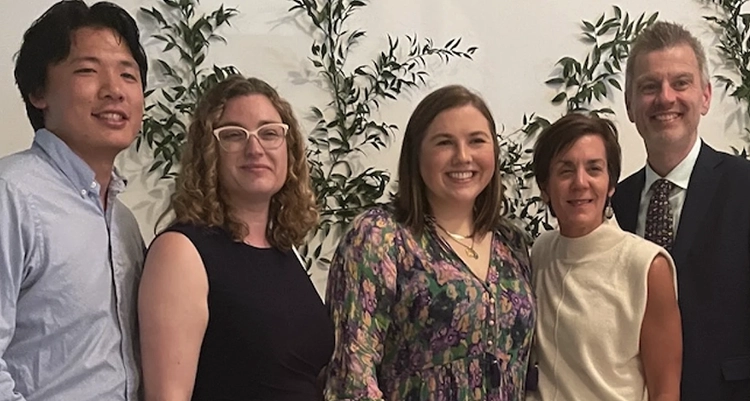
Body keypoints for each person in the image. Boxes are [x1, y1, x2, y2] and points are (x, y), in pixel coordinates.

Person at [324, 85, 536, 400]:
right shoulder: (380, 236)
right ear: (416, 154)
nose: (463, 156)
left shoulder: (512, 242)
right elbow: (351, 376)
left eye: (477, 141)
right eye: (444, 142)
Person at [138, 75, 334, 401]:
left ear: (289, 150)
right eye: (233, 135)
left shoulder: (285, 249)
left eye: (269, 133)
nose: (255, 148)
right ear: (208, 153)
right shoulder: (181, 251)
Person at [0, 1, 147, 400]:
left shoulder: (124, 222)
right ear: (39, 92)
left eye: (128, 74)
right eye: (87, 70)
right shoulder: (12, 196)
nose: (114, 90)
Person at [612, 21, 750, 401]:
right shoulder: (614, 204)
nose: (665, 98)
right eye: (649, 86)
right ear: (630, 105)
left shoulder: (745, 187)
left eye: (681, 82)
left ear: (705, 96)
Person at [529, 113, 682, 401]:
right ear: (545, 186)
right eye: (565, 170)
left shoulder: (647, 266)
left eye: (594, 169)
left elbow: (665, 391)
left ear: (611, 183)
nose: (580, 182)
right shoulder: (541, 251)